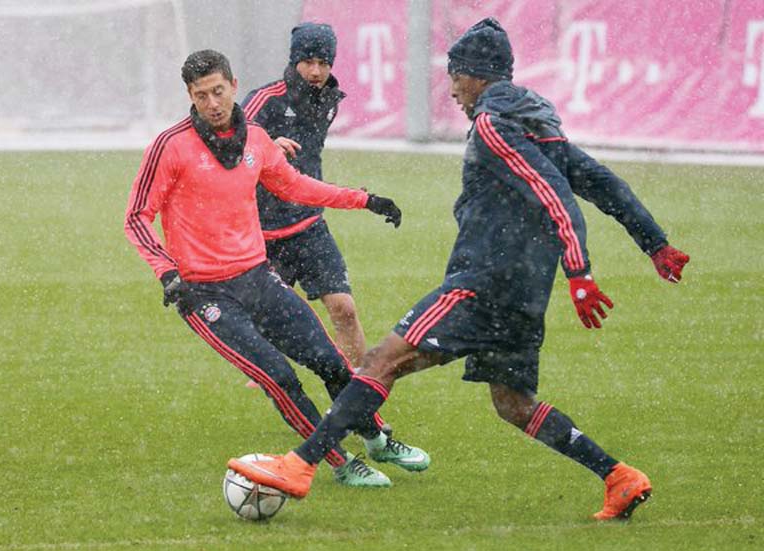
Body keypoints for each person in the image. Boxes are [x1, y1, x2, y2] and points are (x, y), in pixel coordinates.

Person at [228, 19, 690, 521]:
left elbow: (558, 197)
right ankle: (619, 476)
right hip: (524, 295)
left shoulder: (494, 125)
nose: (450, 89)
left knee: (382, 360)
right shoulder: (536, 123)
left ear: (478, 76)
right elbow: (599, 181)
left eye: (455, 77)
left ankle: (300, 465)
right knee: (514, 405)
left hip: (480, 285)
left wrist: (580, 273)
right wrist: (655, 243)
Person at [124, 49, 429, 490]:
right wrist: (168, 272)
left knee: (330, 360)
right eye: (200, 95)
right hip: (204, 295)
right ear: (189, 96)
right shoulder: (171, 146)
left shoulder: (256, 140)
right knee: (279, 376)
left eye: (217, 91)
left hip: (258, 279)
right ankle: (341, 462)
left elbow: (295, 185)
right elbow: (137, 216)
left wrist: (364, 199)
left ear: (233, 84)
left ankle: (377, 437)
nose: (211, 103)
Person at [241, 23, 369, 371]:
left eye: (323, 63)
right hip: (264, 234)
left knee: (344, 309)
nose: (316, 71)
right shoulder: (265, 99)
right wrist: (266, 145)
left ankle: (359, 395)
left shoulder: (329, 101)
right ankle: (275, 380)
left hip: (310, 225)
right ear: (294, 59)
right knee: (271, 326)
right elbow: (227, 139)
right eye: (308, 61)